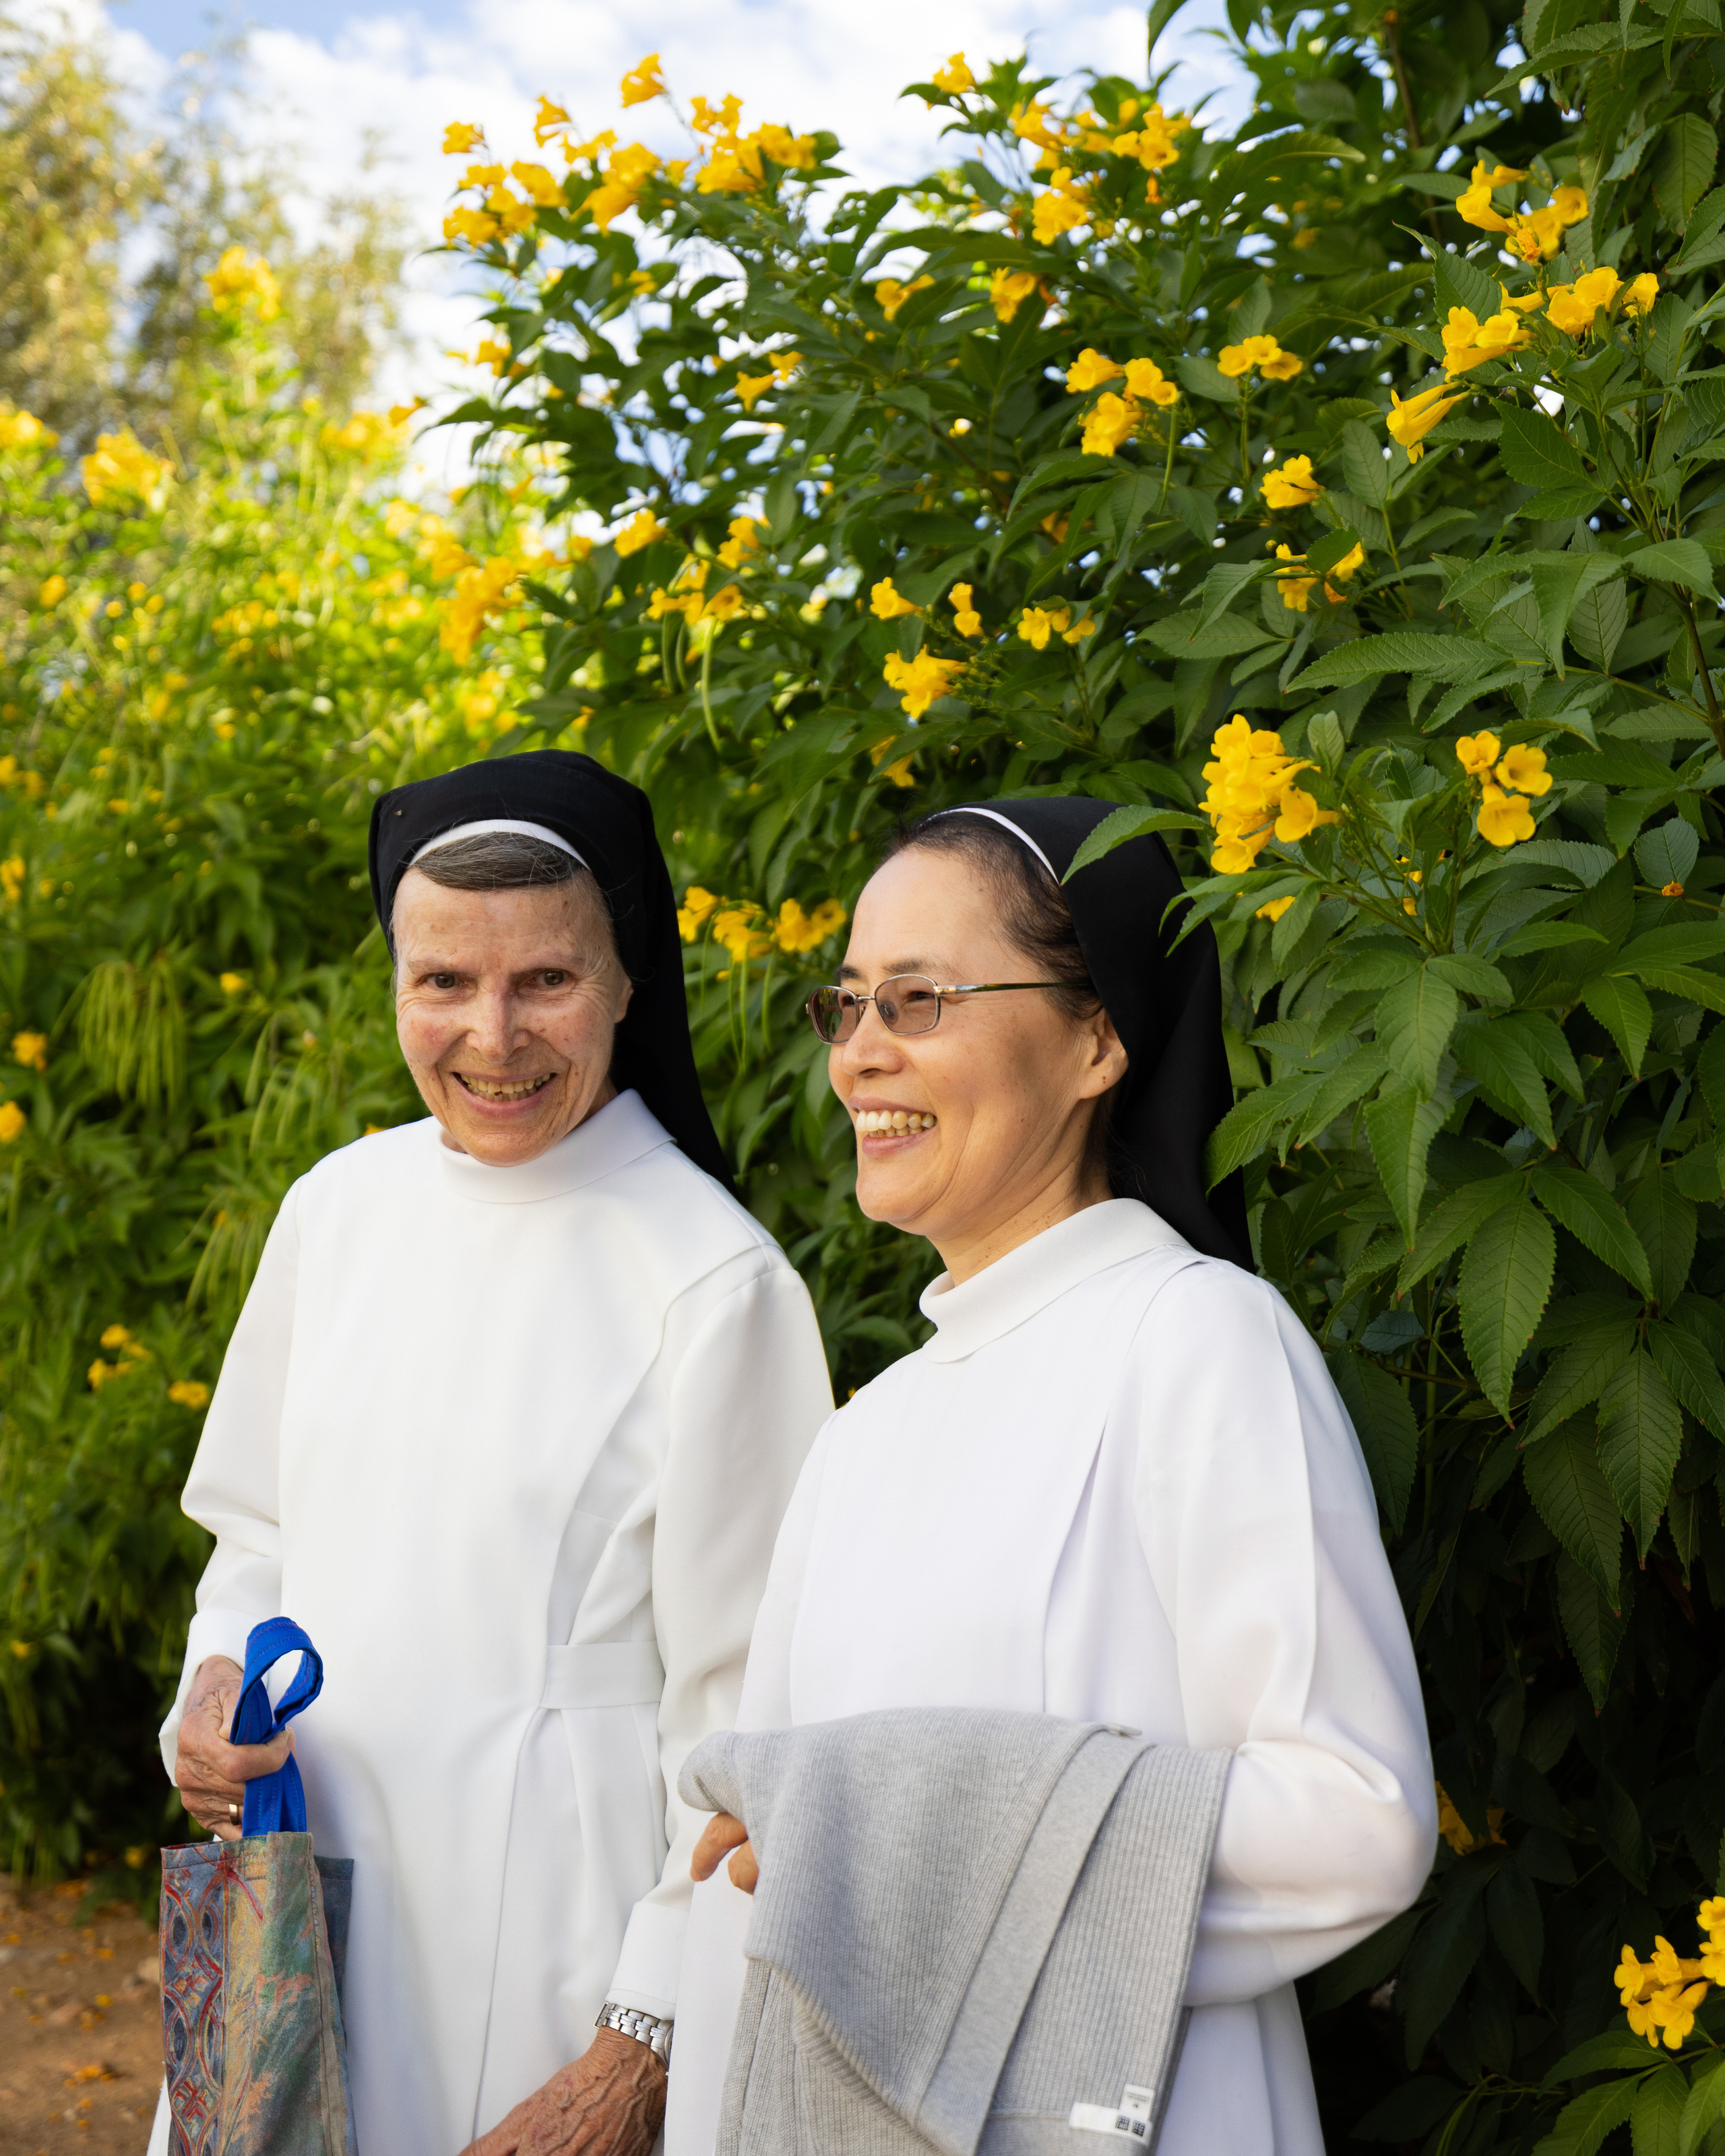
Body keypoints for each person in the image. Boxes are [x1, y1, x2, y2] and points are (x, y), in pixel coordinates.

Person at [665, 800, 1436, 2156]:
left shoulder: (1199, 1339)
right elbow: (766, 1868)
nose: (859, 1053)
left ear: (1095, 1039)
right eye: (844, 1002)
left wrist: (910, 1843)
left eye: (918, 998)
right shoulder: (863, 1434)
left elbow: (1355, 1820)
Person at [153, 750, 834, 2156]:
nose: (493, 1037)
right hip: (286, 1909)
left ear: (629, 976)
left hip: (549, 1953)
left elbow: (752, 1727)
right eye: (443, 982)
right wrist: (210, 1686)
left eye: (546, 981)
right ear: (395, 979)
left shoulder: (716, 1280)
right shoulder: (336, 1209)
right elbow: (256, 1543)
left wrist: (639, 2039)